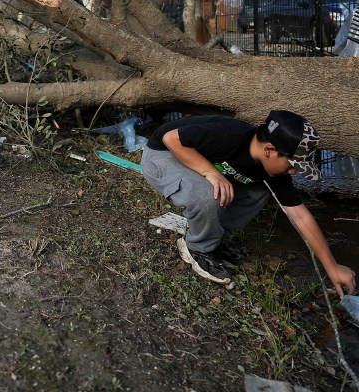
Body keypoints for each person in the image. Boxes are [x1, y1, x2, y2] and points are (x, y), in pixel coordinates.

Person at [141, 110, 356, 298]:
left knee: (259, 190)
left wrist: (332, 266)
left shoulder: (272, 170)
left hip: (191, 161)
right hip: (162, 156)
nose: (294, 172)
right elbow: (171, 139)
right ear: (270, 150)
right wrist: (211, 173)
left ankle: (212, 235)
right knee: (208, 192)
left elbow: (300, 215)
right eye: (292, 165)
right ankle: (198, 249)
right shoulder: (229, 136)